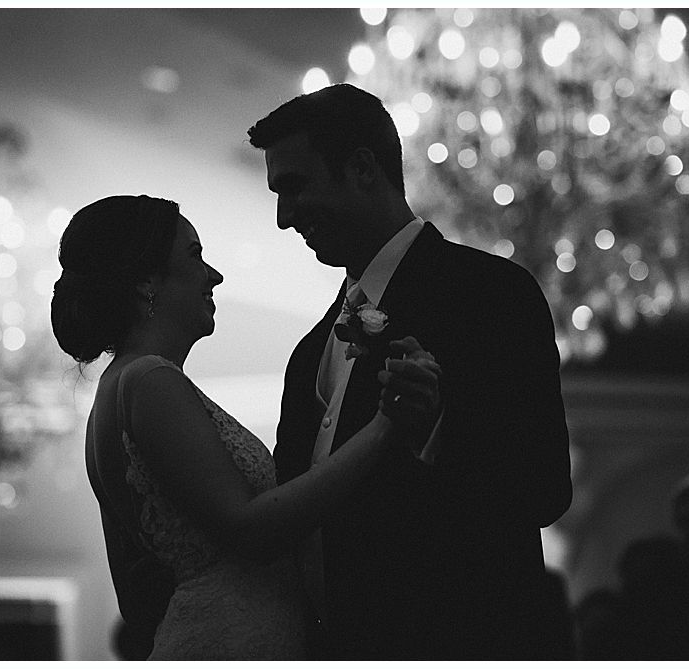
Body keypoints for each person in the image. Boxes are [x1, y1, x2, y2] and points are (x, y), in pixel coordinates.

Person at [247, 83, 572, 659]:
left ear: (363, 168)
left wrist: (438, 428)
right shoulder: (309, 354)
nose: (283, 217)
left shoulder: (491, 295)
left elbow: (543, 489)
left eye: (294, 187)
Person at [50, 194, 441, 659]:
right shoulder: (148, 381)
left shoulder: (119, 389)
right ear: (146, 283)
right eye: (195, 256)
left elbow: (136, 585)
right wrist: (384, 427)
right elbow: (253, 529)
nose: (213, 275)